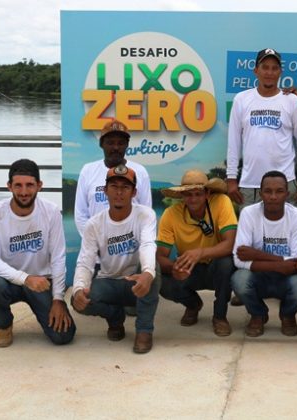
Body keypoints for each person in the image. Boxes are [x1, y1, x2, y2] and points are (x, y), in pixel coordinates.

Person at [0, 159, 75, 347]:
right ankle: (3, 323)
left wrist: (58, 299)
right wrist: (25, 278)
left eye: (30, 185)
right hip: (9, 282)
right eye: (18, 185)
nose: (24, 192)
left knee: (63, 336)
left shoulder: (51, 212)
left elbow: (58, 258)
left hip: (42, 283)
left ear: (39, 185)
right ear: (9, 186)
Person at [71, 164, 159, 354]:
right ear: (105, 191)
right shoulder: (94, 224)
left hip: (135, 282)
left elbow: (147, 245)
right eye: (114, 187)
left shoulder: (145, 215)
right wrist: (78, 288)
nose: (119, 192)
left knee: (154, 269)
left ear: (134, 192)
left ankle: (144, 330)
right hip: (109, 281)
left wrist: (147, 273)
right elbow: (85, 262)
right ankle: (115, 318)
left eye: (125, 187)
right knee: (79, 300)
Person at [226, 48, 297, 207]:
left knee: (287, 224)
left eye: (274, 68)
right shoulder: (241, 99)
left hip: (285, 184)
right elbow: (234, 141)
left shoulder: (292, 101)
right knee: (250, 224)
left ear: (280, 72)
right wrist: (231, 178)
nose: (269, 72)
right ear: (256, 71)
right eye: (265, 67)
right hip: (250, 185)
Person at [157, 170, 238, 337]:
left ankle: (220, 316)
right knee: (162, 282)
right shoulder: (170, 214)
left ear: (207, 193)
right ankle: (193, 305)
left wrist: (200, 253)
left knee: (226, 262)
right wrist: (175, 267)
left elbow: (230, 244)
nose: (193, 199)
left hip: (216, 265)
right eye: (188, 194)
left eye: (198, 194)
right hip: (190, 268)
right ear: (182, 195)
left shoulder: (221, 201)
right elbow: (160, 256)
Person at [231, 171, 297, 337]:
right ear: (260, 194)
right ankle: (258, 315)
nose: (273, 197)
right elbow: (238, 259)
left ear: (287, 194)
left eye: (279, 191)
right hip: (258, 276)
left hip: (287, 278)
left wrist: (255, 254)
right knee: (239, 280)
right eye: (268, 191)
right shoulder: (248, 213)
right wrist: (280, 265)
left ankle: (288, 314)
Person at [74, 119, 151, 236]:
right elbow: (80, 215)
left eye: (120, 143)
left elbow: (146, 215)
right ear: (101, 144)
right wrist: (94, 242)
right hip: (96, 244)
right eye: (110, 143)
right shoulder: (88, 171)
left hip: (130, 243)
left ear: (127, 145)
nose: (115, 147)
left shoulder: (140, 172)